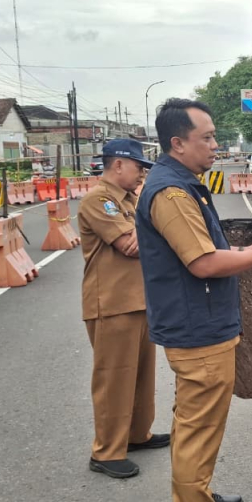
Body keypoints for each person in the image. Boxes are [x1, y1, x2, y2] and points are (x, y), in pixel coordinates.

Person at [136, 98, 252, 502]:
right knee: (198, 429)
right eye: (206, 137)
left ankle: (196, 501)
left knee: (196, 425)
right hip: (197, 329)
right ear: (177, 143)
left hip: (197, 323)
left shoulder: (182, 184)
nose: (215, 144)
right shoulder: (171, 193)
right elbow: (203, 261)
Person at [79, 138, 168, 480]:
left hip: (140, 300)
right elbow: (129, 245)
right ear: (118, 164)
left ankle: (136, 435)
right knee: (114, 380)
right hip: (112, 303)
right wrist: (158, 232)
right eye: (137, 167)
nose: (141, 173)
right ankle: (106, 451)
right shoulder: (99, 200)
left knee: (142, 376)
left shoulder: (131, 200)